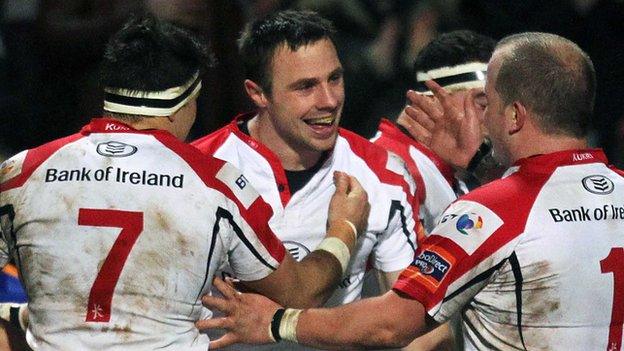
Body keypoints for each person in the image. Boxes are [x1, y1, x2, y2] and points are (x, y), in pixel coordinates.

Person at [197, 32, 624, 351]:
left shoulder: (485, 208)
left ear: (514, 115)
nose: (487, 119)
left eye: (487, 103)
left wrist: (278, 322)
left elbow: (396, 323)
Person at [0, 16, 371, 350]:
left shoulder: (21, 172)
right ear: (186, 103)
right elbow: (300, 292)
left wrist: (24, 316)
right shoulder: (216, 183)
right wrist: (344, 227)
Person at [191, 10, 420, 350]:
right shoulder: (196, 170)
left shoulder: (382, 175)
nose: (328, 101)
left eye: (335, 78)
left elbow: (414, 323)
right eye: (306, 86)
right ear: (258, 94)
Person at [372, 30, 496, 233]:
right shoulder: (389, 172)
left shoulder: (447, 175)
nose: (495, 119)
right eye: (483, 106)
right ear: (430, 101)